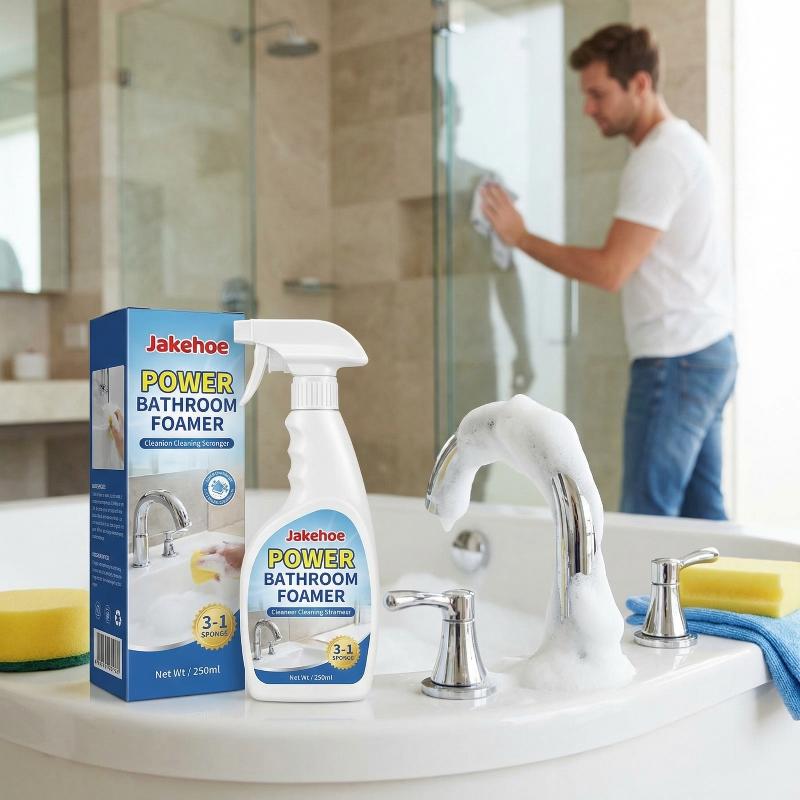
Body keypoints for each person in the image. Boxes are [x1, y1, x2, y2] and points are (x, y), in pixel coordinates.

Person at [480, 24, 736, 520]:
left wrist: (520, 237)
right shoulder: (680, 147)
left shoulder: (661, 156)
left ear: (639, 84)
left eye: (598, 94)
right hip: (704, 351)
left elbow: (610, 270)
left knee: (646, 516)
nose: (588, 108)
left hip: (677, 360)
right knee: (704, 520)